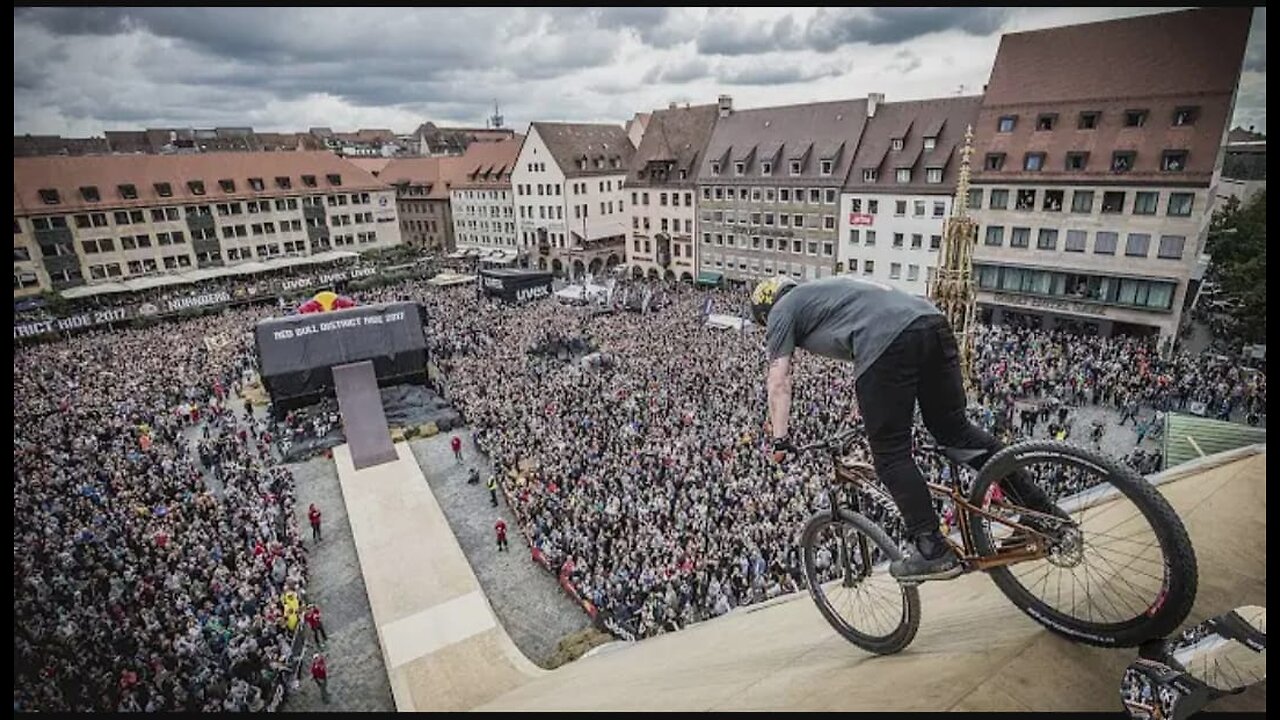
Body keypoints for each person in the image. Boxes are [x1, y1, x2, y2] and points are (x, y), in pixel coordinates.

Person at [751, 275, 1062, 582]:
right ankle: (1042, 511)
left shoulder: (782, 310)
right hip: (932, 324)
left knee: (890, 455)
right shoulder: (822, 291)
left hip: (890, 342)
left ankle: (932, 548)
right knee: (955, 430)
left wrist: (780, 440)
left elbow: (779, 378)